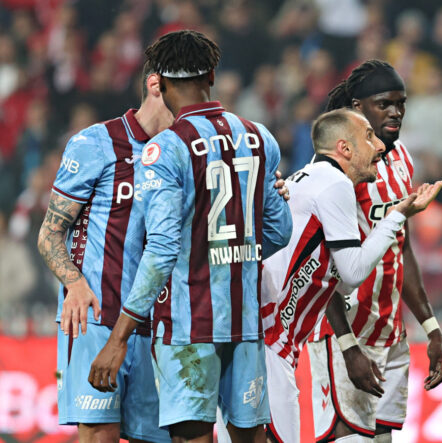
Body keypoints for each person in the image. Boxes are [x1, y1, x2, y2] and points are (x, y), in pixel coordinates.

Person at [87, 30, 292, 443]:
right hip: (245, 321)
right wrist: (234, 253)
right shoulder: (257, 137)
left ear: (158, 85)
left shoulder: (165, 149)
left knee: (191, 438)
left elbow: (162, 250)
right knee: (251, 437)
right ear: (212, 75)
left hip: (188, 326)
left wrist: (118, 338)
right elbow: (279, 230)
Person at [261, 108, 442, 443]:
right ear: (345, 149)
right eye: (369, 137)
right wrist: (397, 215)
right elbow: (354, 271)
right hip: (271, 342)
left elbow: (334, 278)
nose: (378, 146)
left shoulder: (308, 177)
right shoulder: (336, 184)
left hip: (258, 336)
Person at [308, 59, 442, 442]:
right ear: (357, 108)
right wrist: (347, 345)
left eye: (401, 103)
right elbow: (319, 267)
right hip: (347, 334)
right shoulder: (336, 168)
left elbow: (403, 248)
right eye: (384, 103)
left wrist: (431, 327)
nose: (395, 112)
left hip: (391, 333)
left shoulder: (401, 157)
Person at [37, 59, 173, 443]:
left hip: (161, 327)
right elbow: (50, 233)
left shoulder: (183, 153)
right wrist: (75, 284)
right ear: (156, 85)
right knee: (100, 435)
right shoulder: (95, 143)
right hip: (97, 321)